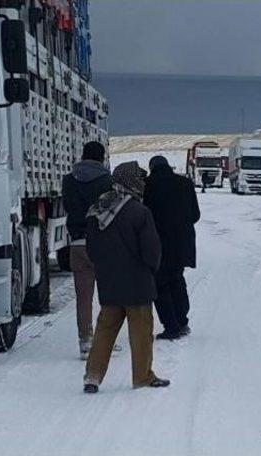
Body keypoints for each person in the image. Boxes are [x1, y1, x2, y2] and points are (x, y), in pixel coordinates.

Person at [83, 161, 170, 393]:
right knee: (141, 333)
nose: (142, 183)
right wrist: (152, 270)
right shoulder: (140, 212)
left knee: (105, 330)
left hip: (109, 281)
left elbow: (90, 249)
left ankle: (92, 376)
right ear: (130, 181)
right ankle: (142, 376)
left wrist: (103, 267)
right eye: (139, 179)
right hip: (138, 283)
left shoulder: (97, 210)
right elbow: (151, 251)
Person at [63, 141, 113, 360]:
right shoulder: (107, 180)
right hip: (102, 242)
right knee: (108, 295)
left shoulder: (68, 180)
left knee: (83, 297)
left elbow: (67, 206)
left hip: (77, 242)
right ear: (101, 157)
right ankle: (104, 339)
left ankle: (85, 341)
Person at [144, 156, 201, 340]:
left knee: (160, 284)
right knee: (177, 278)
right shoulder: (185, 183)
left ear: (152, 168)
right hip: (182, 242)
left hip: (158, 242)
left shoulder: (148, 185)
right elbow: (195, 214)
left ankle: (171, 326)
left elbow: (145, 215)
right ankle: (182, 321)